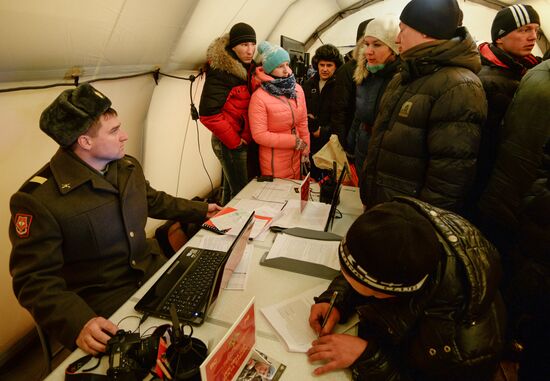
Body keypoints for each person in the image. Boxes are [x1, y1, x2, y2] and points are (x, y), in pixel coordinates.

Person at [9, 84, 221, 355]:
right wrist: (79, 323)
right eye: (113, 131)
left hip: (152, 273)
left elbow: (153, 200)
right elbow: (33, 280)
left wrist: (202, 210)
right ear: (85, 141)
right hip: (105, 303)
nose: (124, 136)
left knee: (211, 316)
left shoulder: (126, 166)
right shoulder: (38, 199)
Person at [307, 197, 505, 380]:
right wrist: (337, 298)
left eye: (350, 281)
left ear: (385, 291)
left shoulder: (462, 349)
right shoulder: (403, 235)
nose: (344, 275)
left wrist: (368, 357)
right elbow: (363, 266)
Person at [361, 0, 486, 216]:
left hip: (408, 218)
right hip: (387, 208)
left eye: (403, 30)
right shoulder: (407, 76)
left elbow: (449, 177)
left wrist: (421, 225)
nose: (398, 39)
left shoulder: (459, 86)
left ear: (426, 32)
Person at [478, 60, 550, 379]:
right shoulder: (534, 77)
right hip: (528, 213)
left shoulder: (535, 74)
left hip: (517, 206)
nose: (532, 36)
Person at [472, 4, 541, 248]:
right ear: (500, 37)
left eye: (535, 29)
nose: (533, 36)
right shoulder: (487, 80)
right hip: (491, 187)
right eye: (524, 30)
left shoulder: (530, 69)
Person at [199, 22, 258, 205]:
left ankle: (222, 224)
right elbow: (208, 114)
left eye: (252, 44)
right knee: (240, 194)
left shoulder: (248, 68)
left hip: (237, 140)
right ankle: (232, 230)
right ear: (233, 47)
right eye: (244, 45)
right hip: (229, 142)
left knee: (232, 189)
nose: (250, 50)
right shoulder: (222, 71)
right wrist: (234, 141)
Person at [346, 16, 399, 188]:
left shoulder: (400, 79)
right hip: (362, 147)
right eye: (366, 44)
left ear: (393, 48)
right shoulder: (364, 74)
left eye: (377, 44)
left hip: (387, 154)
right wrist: (351, 145)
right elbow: (359, 115)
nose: (368, 51)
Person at [248, 41, 310, 179]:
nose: (287, 71)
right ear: (269, 70)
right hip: (274, 161)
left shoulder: (297, 89)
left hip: (296, 155)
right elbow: (259, 135)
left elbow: (302, 121)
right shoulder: (259, 97)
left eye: (287, 65)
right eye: (280, 66)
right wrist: (293, 141)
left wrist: (306, 146)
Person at [302, 44, 343, 181]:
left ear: (336, 66)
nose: (324, 69)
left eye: (329, 65)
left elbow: (342, 116)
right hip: (311, 141)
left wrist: (323, 131)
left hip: (331, 143)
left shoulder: (340, 86)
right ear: (316, 65)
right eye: (322, 65)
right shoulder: (308, 84)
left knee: (329, 179)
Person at [330, 19, 372, 151]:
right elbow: (339, 110)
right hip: (352, 138)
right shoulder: (348, 70)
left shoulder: (381, 69)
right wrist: (343, 143)